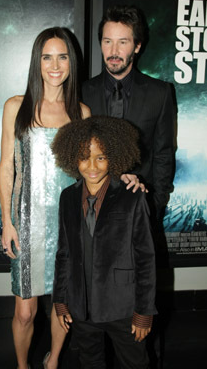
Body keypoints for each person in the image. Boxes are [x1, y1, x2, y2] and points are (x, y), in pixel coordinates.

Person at [0, 27, 90, 369]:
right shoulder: (16, 106)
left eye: (62, 56)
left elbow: (89, 173)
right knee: (25, 312)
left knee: (61, 305)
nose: (55, 65)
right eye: (47, 56)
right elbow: (7, 167)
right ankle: (23, 365)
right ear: (37, 62)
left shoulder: (82, 113)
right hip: (26, 224)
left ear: (71, 63)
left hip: (68, 225)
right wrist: (7, 221)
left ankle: (52, 362)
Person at [51, 116, 157, 369]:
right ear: (72, 158)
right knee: (89, 361)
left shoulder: (131, 197)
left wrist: (144, 312)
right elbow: (63, 253)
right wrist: (61, 299)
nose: (92, 166)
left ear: (114, 156)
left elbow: (145, 257)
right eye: (84, 157)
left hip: (123, 306)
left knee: (135, 363)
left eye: (101, 157)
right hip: (81, 307)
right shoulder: (67, 197)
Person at [82, 5, 175, 240]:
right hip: (91, 211)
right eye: (107, 41)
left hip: (141, 212)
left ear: (137, 45)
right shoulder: (81, 93)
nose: (113, 50)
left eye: (123, 42)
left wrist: (154, 205)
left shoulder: (160, 94)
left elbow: (163, 153)